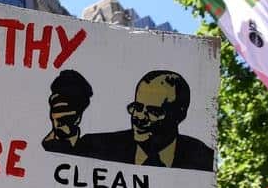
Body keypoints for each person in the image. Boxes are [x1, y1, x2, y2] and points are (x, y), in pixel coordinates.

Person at [82, 70, 214, 171]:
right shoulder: (95, 148)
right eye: (137, 107)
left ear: (180, 115)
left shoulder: (204, 160)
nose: (139, 117)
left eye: (153, 111)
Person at [41, 69, 94, 155]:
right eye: (55, 118)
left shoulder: (91, 146)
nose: (58, 124)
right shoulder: (47, 147)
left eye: (65, 119)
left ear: (78, 117)